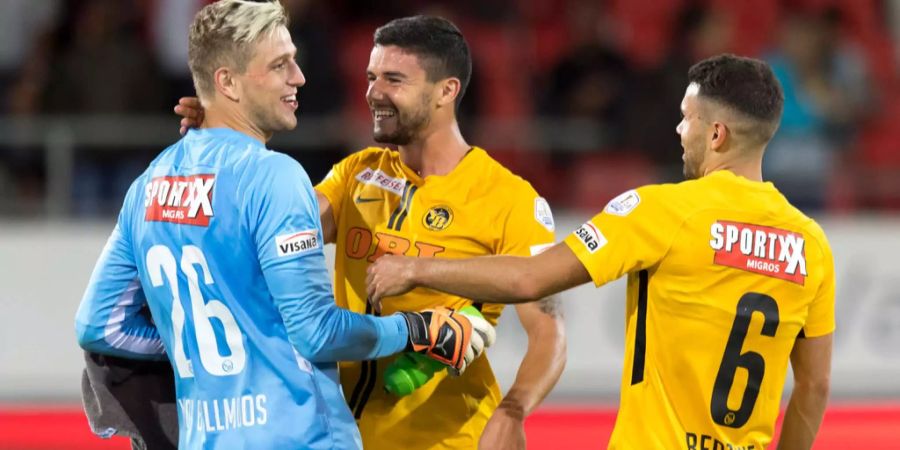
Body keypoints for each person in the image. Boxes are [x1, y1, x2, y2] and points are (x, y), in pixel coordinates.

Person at [74, 2, 493, 449]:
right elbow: (317, 332)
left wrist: (195, 345)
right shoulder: (273, 175)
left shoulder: (149, 182)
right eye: (279, 65)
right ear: (227, 82)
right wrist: (417, 329)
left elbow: (101, 325)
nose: (299, 76)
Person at [368, 54, 834, 450]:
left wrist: (416, 268)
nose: (678, 129)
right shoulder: (810, 243)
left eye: (686, 117)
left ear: (716, 135)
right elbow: (813, 389)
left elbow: (531, 279)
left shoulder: (665, 210)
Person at [176, 14, 566, 450]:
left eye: (393, 80)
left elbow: (548, 331)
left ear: (446, 91)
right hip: (337, 438)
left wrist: (513, 411)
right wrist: (225, 140)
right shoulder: (356, 174)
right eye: (370, 77)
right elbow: (262, 232)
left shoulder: (509, 198)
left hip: (448, 439)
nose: (373, 93)